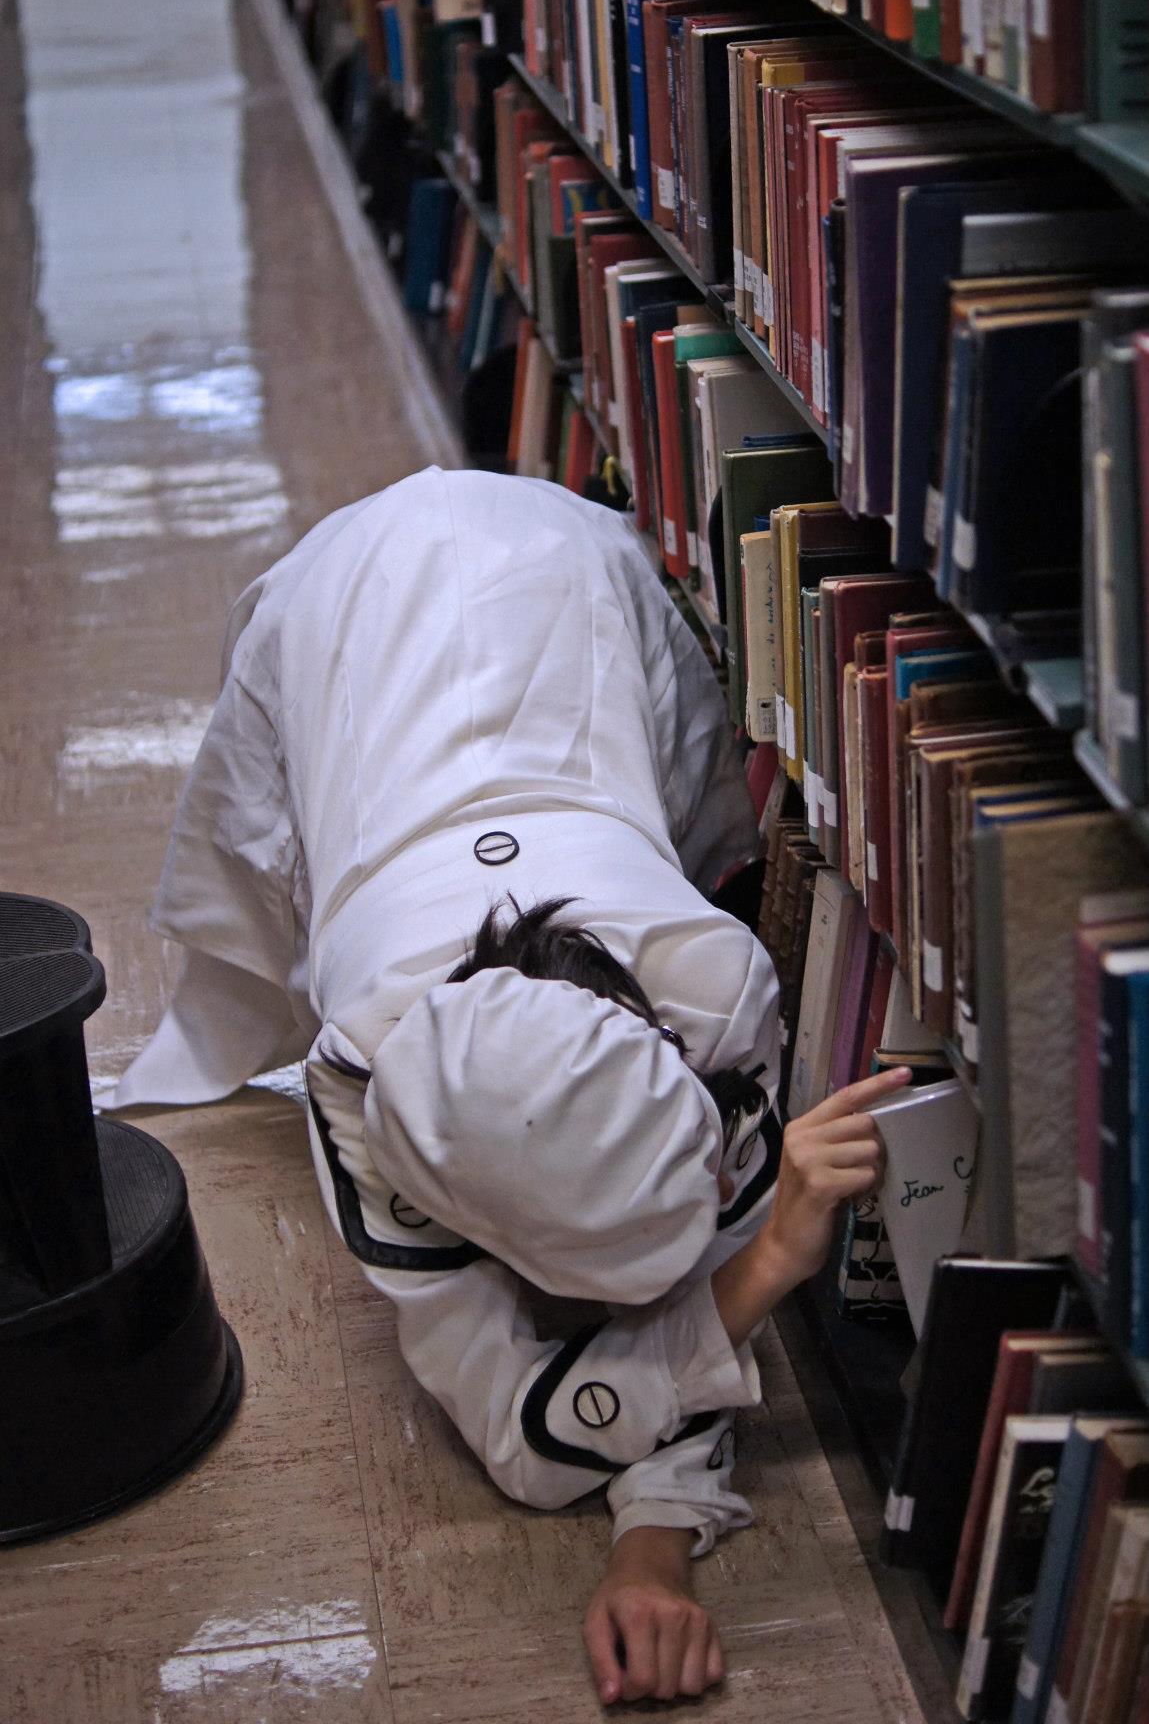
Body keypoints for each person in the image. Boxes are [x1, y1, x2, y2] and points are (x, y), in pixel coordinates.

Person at [109, 467, 905, 1707]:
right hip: (341, 605)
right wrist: (763, 1267)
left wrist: (655, 1537)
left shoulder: (713, 989)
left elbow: (641, 1327)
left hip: (563, 569)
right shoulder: (364, 1077)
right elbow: (520, 1438)